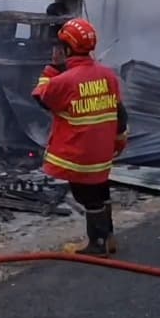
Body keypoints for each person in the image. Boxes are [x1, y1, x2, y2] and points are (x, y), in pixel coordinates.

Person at [31, 17, 129, 256]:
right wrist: (119, 140)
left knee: (86, 195)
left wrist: (52, 69)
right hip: (102, 151)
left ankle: (96, 245)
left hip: (78, 153)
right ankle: (108, 238)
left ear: (66, 49)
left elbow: (41, 96)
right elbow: (120, 112)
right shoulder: (108, 75)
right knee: (100, 189)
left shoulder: (64, 81)